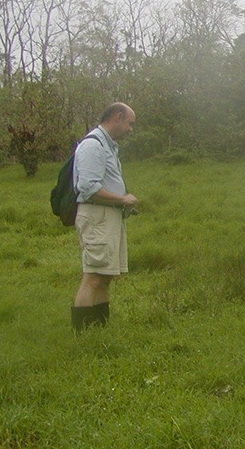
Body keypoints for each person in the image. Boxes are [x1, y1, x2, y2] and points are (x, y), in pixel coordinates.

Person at [70, 102, 139, 333]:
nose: (131, 129)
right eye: (130, 123)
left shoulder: (109, 146)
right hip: (97, 216)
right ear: (117, 117)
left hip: (108, 216)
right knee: (92, 276)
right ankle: (81, 335)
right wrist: (122, 200)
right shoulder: (93, 145)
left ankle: (99, 330)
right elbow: (88, 188)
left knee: (106, 276)